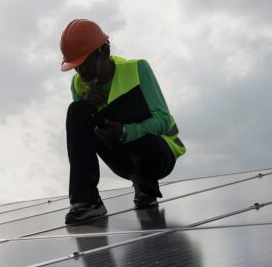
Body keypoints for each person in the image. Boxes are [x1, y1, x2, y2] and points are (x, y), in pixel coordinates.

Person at [59, 19, 186, 225]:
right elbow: (82, 137)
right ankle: (87, 202)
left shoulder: (137, 69)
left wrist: (126, 131)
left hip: (156, 155)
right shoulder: (78, 84)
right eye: (76, 67)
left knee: (147, 144)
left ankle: (145, 186)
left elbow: (163, 120)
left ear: (105, 53)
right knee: (76, 110)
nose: (81, 73)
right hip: (121, 157)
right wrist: (85, 103)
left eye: (85, 64)